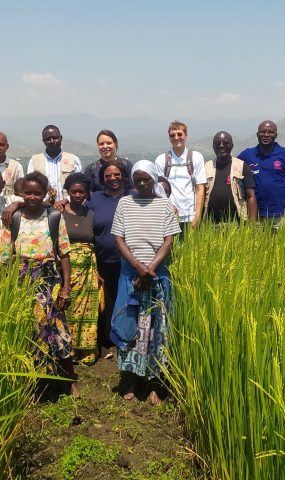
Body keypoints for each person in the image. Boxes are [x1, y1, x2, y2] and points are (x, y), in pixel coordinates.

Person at [110, 160, 181, 405]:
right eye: (137, 179)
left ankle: (154, 383)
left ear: (153, 179)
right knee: (130, 326)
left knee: (156, 330)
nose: (142, 183)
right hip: (131, 276)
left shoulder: (164, 205)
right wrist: (138, 267)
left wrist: (149, 269)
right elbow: (119, 239)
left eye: (146, 179)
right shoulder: (125, 203)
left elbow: (168, 241)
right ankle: (130, 379)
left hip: (156, 276)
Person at [10, 171, 78, 396]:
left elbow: (65, 254)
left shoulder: (53, 217)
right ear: (21, 193)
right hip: (22, 282)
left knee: (58, 327)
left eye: (37, 193)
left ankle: (70, 380)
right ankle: (37, 382)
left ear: (44, 194)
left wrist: (66, 289)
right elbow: (5, 254)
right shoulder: (15, 218)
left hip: (49, 279)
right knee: (32, 329)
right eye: (27, 192)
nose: (32, 197)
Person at [86, 162, 130, 359]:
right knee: (107, 301)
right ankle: (107, 340)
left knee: (126, 299)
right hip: (103, 259)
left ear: (123, 176)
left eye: (117, 174)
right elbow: (78, 211)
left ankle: (126, 337)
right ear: (102, 178)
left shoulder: (133, 196)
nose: (113, 178)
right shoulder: (95, 199)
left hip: (128, 260)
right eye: (108, 175)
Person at [60, 173, 100, 365]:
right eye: (74, 191)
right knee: (68, 309)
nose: (77, 195)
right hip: (65, 268)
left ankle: (86, 351)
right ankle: (69, 350)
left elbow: (94, 243)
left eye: (81, 191)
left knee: (88, 310)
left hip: (88, 270)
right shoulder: (57, 212)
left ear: (87, 193)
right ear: (67, 192)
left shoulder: (90, 214)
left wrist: (96, 271)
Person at [237, 120, 285, 228]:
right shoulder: (247, 155)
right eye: (262, 132)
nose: (266, 135)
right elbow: (232, 168)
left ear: (276, 135)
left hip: (280, 215)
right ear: (257, 134)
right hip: (254, 215)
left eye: (270, 132)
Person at [154, 121, 207, 231]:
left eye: (179, 134)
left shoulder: (196, 157)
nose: (176, 137)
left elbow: (200, 188)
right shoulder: (161, 160)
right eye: (172, 135)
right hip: (169, 216)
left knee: (191, 248)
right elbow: (159, 190)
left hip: (190, 215)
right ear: (169, 138)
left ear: (186, 136)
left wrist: (197, 216)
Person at [203, 131, 258, 222]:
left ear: (232, 145)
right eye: (217, 143)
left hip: (237, 223)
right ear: (213, 147)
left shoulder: (242, 166)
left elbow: (251, 196)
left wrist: (252, 225)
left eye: (226, 143)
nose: (221, 146)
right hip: (210, 224)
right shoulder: (206, 167)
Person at [27, 125, 82, 203]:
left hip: (67, 207)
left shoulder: (73, 160)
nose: (52, 141)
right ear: (43, 141)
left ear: (61, 138)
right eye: (48, 139)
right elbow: (30, 187)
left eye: (55, 138)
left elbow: (79, 186)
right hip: (42, 208)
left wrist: (66, 200)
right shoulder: (34, 161)